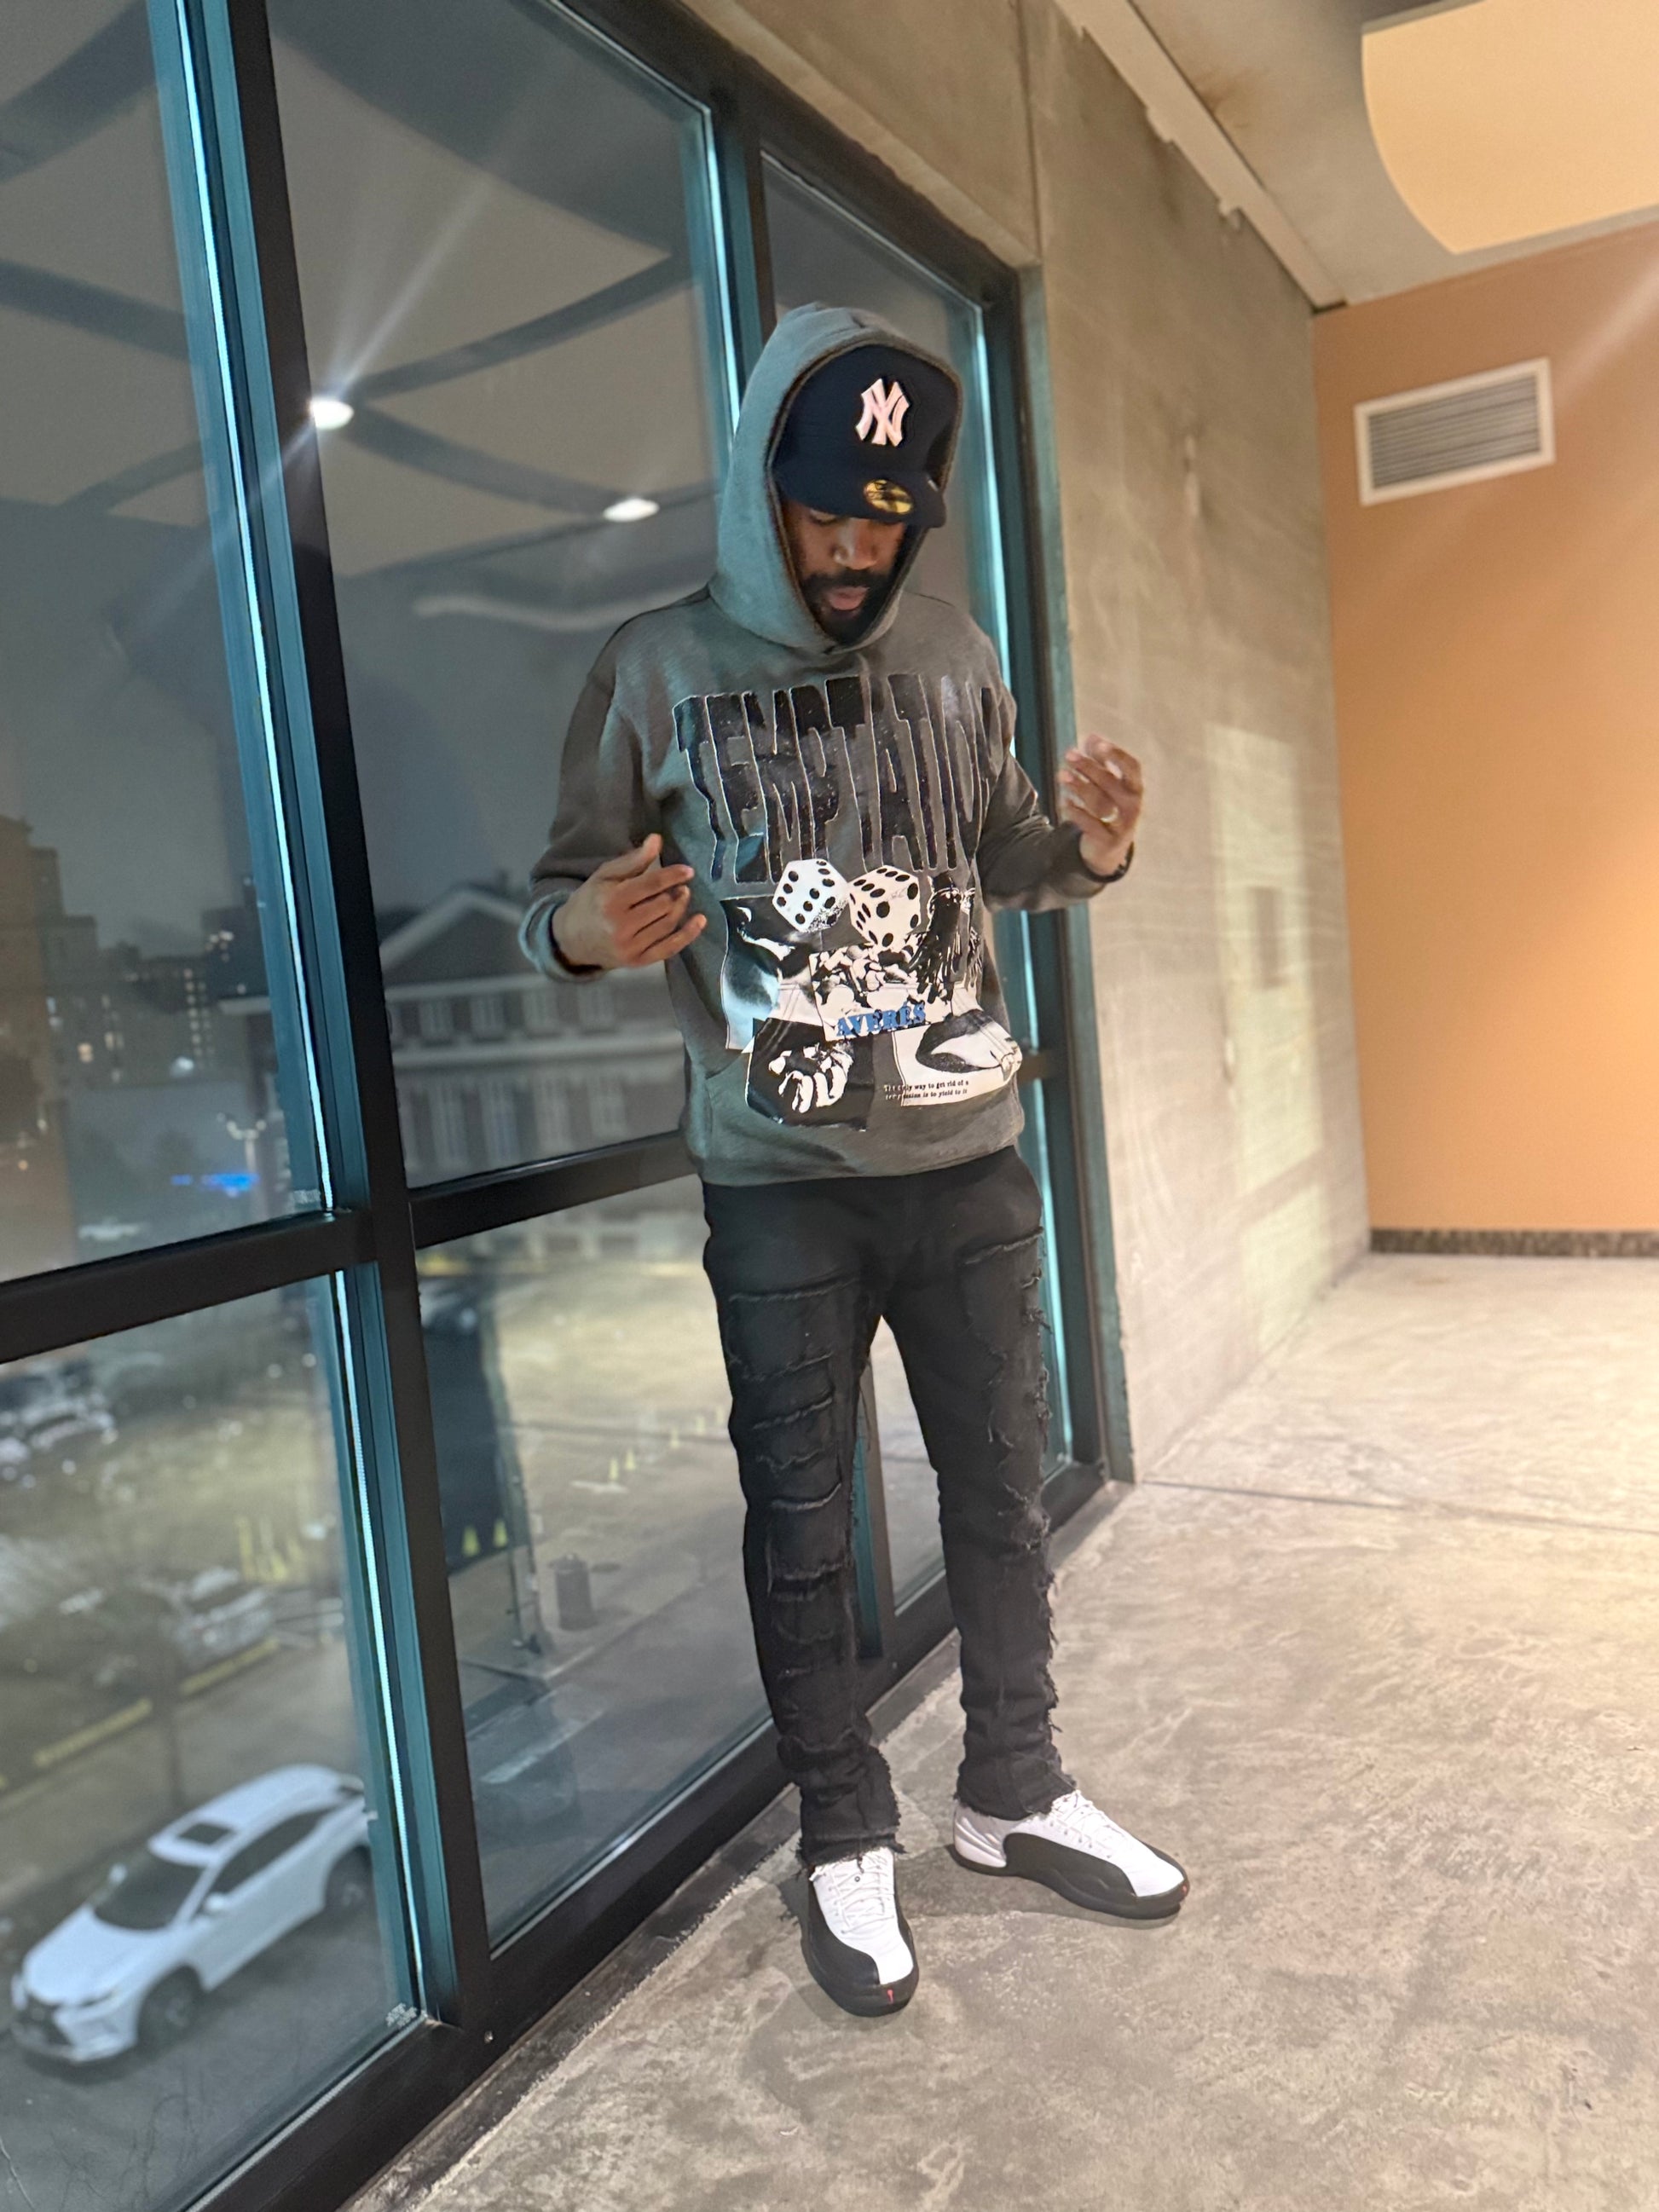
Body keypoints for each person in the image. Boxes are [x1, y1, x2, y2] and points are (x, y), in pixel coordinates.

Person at [523, 304, 1187, 2019]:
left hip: (970, 1153)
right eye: (822, 513)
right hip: (777, 1178)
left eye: (883, 520)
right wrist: (586, 931)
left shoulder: (954, 648)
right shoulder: (654, 668)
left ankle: (1013, 1788)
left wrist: (1089, 848)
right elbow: (562, 893)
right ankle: (841, 1825)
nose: (849, 551)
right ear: (764, 492)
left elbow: (1005, 852)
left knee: (1003, 1496)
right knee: (805, 1521)